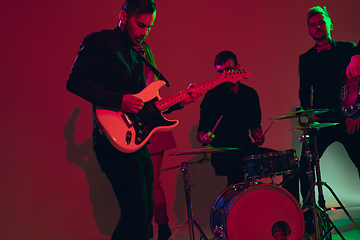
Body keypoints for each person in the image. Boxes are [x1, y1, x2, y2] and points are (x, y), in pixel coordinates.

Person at [66, 1, 202, 239]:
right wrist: (118, 100)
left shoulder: (143, 51)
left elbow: (148, 105)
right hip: (111, 140)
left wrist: (181, 101)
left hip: (137, 140)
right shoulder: (100, 42)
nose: (144, 32)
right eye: (140, 25)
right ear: (123, 16)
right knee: (135, 214)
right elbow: (75, 81)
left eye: (149, 28)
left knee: (146, 214)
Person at [298, 5, 360, 234]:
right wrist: (308, 110)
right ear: (309, 31)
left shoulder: (349, 49)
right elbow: (304, 91)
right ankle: (310, 213)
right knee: (305, 165)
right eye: (312, 25)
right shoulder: (305, 59)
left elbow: (359, 82)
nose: (317, 28)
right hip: (322, 119)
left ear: (329, 24)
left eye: (321, 23)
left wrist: (356, 114)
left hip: (349, 116)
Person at [197, 50, 272, 186]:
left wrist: (258, 135)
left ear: (237, 68)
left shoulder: (250, 94)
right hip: (222, 152)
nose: (224, 74)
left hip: (245, 148)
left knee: (287, 162)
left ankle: (292, 205)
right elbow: (202, 131)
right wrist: (204, 137)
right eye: (220, 72)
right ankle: (235, 205)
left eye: (228, 69)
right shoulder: (212, 97)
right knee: (235, 170)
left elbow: (255, 125)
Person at [134, 42, 175, 240]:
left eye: (141, 50)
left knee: (152, 183)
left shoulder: (151, 77)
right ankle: (148, 227)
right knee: (139, 183)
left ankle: (162, 226)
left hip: (154, 130)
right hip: (135, 131)